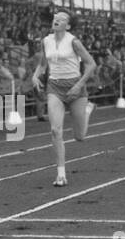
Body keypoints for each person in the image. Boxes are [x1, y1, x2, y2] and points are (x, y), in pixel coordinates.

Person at [30, 11, 96, 188]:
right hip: (55, 87)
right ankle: (61, 175)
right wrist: (35, 76)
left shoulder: (74, 42)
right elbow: (43, 64)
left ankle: (87, 110)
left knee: (79, 136)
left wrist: (79, 85)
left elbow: (91, 64)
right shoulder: (46, 41)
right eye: (55, 17)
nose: (57, 20)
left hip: (75, 86)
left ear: (68, 25)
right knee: (55, 130)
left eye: (62, 19)